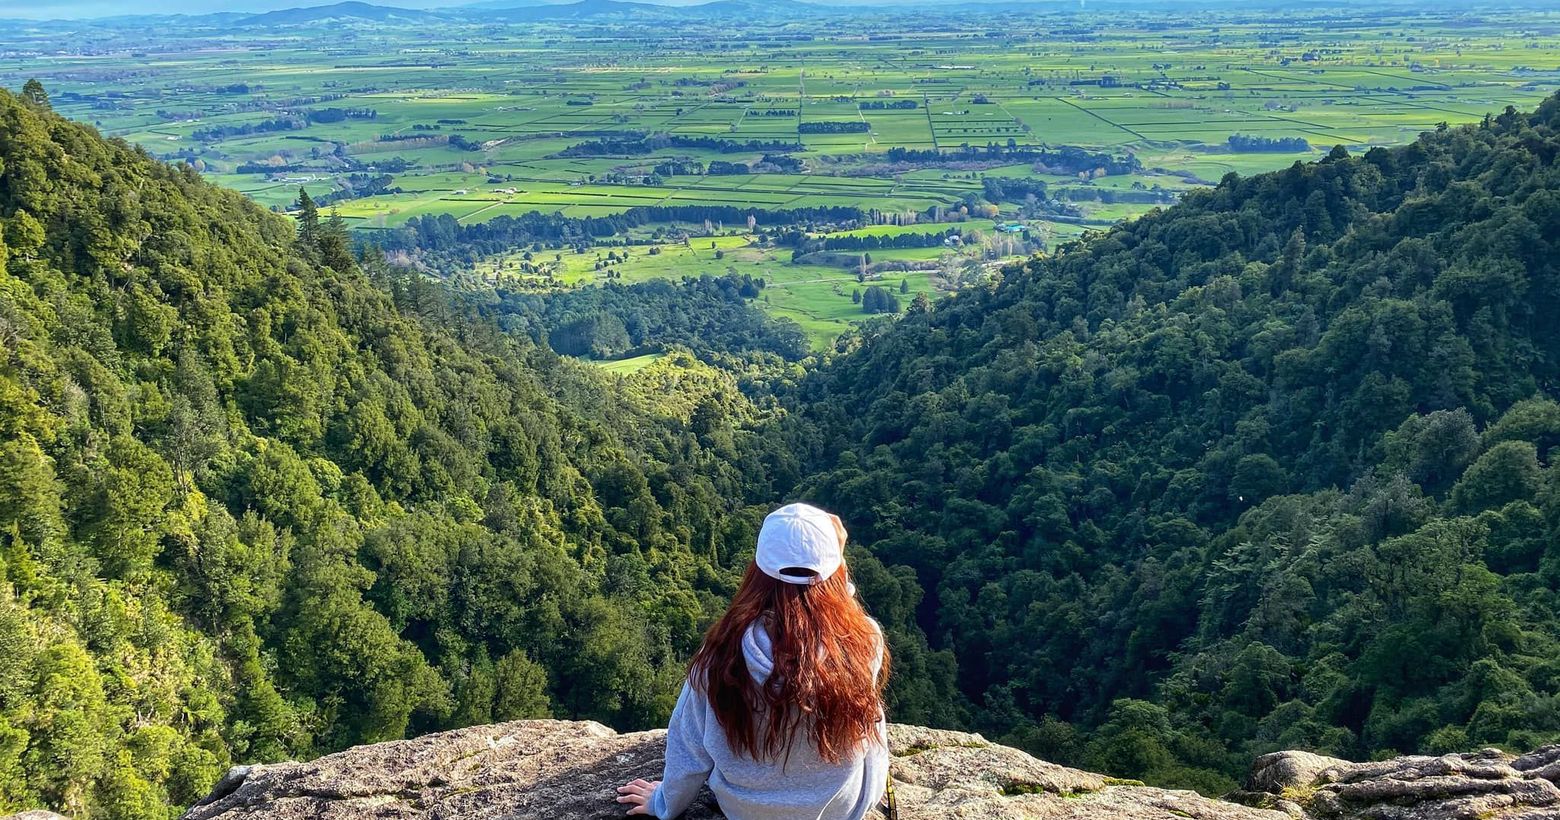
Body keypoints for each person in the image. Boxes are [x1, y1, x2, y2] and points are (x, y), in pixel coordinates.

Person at [617, 502, 891, 819]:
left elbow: (689, 746)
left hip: (746, 811)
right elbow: (835, 611)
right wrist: (834, 559)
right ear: (835, 575)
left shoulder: (723, 653)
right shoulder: (862, 641)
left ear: (757, 572)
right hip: (838, 810)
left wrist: (663, 802)